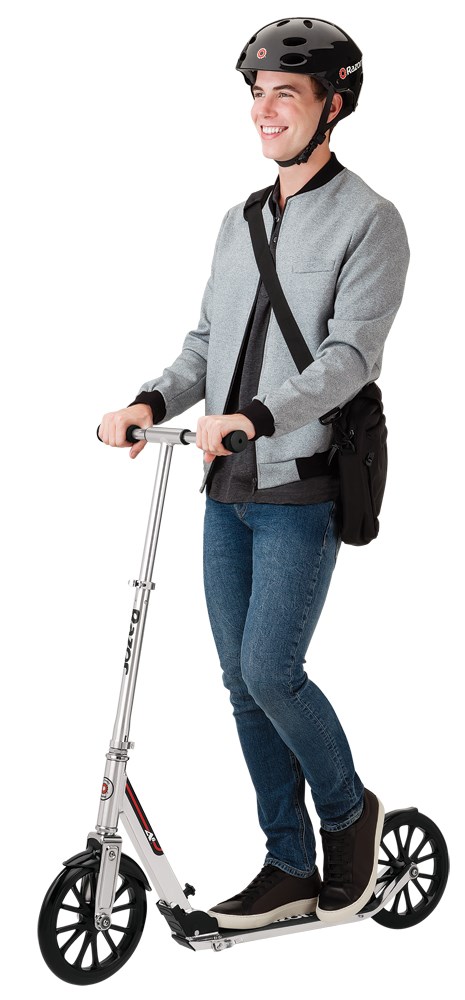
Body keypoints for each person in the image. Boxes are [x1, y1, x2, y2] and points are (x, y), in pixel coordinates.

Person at [98, 17, 410, 929]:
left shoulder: (371, 221)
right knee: (240, 685)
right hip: (225, 488)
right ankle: (287, 865)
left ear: (332, 106)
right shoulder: (238, 222)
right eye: (256, 94)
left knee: (272, 671)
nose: (263, 111)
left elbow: (350, 358)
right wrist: (149, 401)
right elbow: (206, 344)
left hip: (301, 486)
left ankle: (349, 817)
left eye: (285, 94)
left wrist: (260, 416)